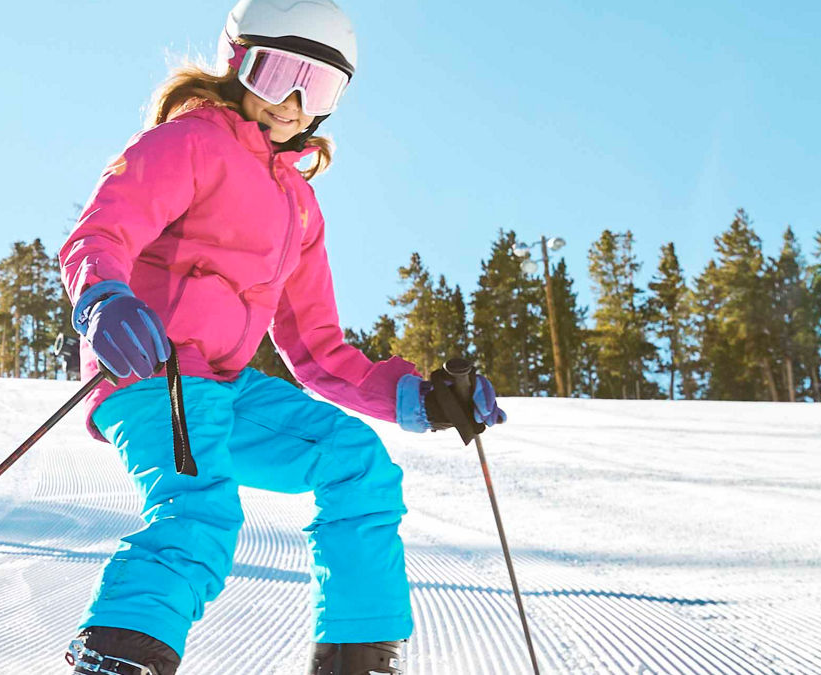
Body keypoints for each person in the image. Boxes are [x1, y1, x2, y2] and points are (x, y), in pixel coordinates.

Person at [54, 1, 504, 673]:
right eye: (281, 75)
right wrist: (102, 296)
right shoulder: (190, 141)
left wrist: (417, 397)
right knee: (200, 513)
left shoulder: (299, 205)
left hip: (227, 390)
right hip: (156, 368)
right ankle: (119, 655)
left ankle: (358, 658)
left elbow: (321, 351)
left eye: (317, 86)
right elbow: (103, 229)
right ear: (239, 62)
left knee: (357, 462)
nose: (293, 102)